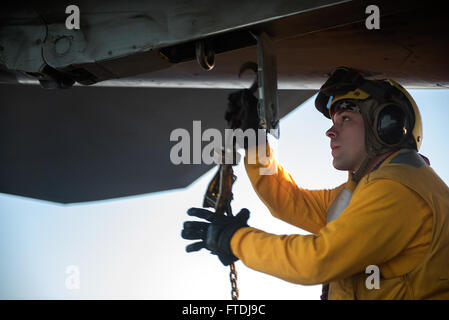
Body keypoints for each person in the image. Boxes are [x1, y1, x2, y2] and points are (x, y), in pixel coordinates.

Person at [181, 67, 449, 299]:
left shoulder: (396, 191)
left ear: (387, 125)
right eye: (334, 121)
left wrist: (235, 239)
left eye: (345, 119)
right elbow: (287, 199)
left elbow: (317, 261)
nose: (331, 131)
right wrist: (255, 142)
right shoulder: (365, 191)